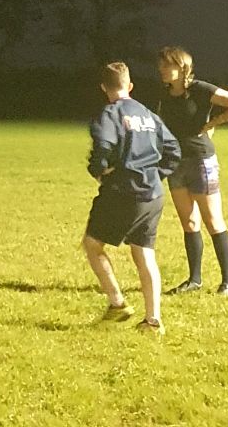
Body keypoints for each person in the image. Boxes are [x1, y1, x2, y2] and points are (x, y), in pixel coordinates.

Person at [83, 61, 181, 335]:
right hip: (153, 194)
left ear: (104, 88)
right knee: (144, 252)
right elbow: (173, 149)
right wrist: (155, 174)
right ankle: (153, 320)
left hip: (123, 192)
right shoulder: (148, 114)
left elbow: (102, 147)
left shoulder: (110, 113)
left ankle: (117, 304)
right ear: (130, 85)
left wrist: (99, 171)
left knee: (92, 244)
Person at [153, 46, 228, 297]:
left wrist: (212, 123)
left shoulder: (200, 90)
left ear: (182, 67)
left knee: (213, 221)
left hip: (200, 160)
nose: (162, 69)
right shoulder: (164, 95)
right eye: (161, 65)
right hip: (176, 163)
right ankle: (194, 279)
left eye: (167, 65)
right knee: (189, 223)